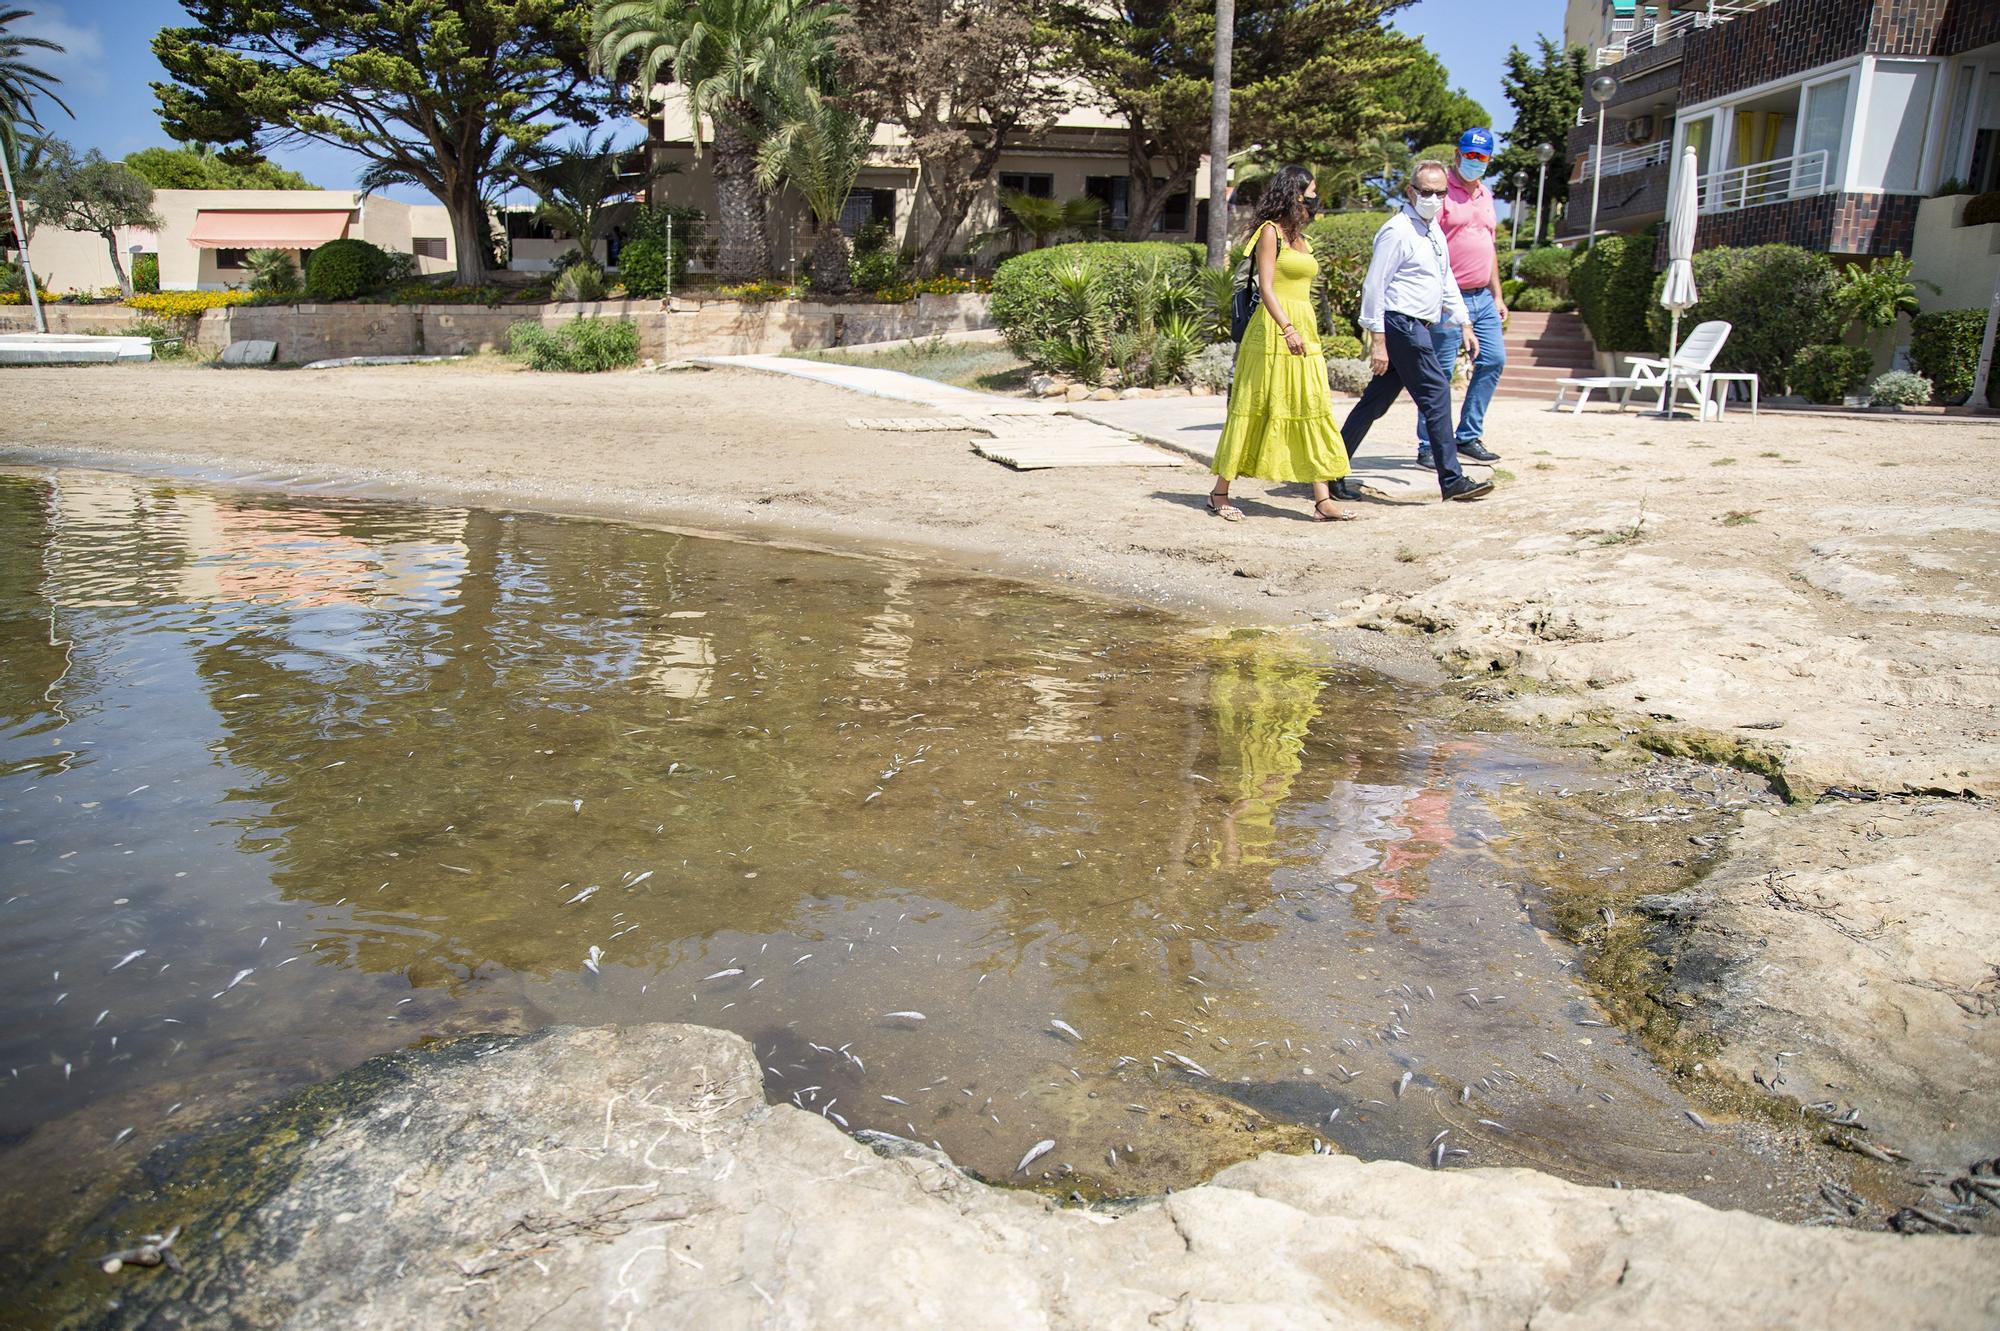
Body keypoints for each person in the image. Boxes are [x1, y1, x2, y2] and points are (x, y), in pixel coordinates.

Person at [1335, 160, 1494, 504]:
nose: (1434, 198)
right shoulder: (1398, 230)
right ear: (1411, 191)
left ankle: (1330, 471)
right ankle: (1451, 480)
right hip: (1401, 325)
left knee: (1374, 403)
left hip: (1417, 324)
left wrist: (1464, 321)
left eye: (1439, 193)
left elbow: (1445, 278)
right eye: (1426, 192)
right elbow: (1375, 285)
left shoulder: (1432, 229)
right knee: (1437, 394)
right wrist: (1378, 340)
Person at [1206, 165, 1352, 523]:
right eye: (1313, 190)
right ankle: (1219, 492)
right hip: (1273, 330)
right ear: (1295, 192)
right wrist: (1287, 328)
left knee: (1311, 406)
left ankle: (1322, 499)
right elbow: (1267, 287)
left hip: (1305, 328)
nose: (1317, 198)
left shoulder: (1304, 239)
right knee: (1254, 405)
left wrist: (1300, 328)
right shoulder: (1270, 232)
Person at [1412, 127, 1507, 472]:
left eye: (1482, 157)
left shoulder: (1485, 194)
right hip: (1450, 299)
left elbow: (1488, 246)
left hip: (1482, 298)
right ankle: (1428, 444)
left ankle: (1467, 435)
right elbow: (1428, 243)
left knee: (1494, 360)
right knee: (1438, 373)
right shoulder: (1441, 193)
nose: (1475, 162)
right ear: (1458, 154)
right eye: (1470, 155)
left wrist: (1498, 294)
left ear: (1489, 160)